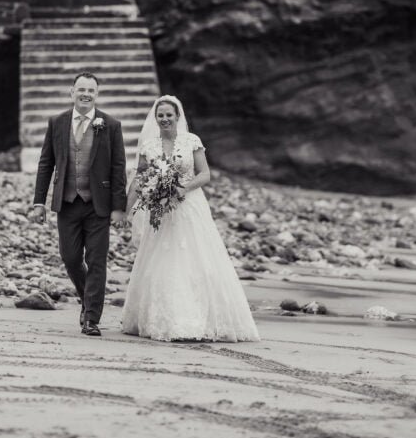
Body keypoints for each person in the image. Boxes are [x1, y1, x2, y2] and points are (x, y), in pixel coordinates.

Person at [122, 94, 259, 343]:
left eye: (168, 115)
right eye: (160, 115)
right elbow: (139, 180)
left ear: (177, 117)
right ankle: (162, 317)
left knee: (196, 258)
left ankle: (198, 318)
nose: (164, 119)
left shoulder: (191, 141)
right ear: (156, 118)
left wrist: (182, 188)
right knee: (162, 259)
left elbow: (205, 174)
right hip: (161, 211)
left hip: (190, 208)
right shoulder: (149, 147)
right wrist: (125, 209)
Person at [28, 72, 127, 337]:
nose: (86, 94)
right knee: (71, 258)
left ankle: (91, 319)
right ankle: (87, 299)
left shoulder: (111, 125)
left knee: (96, 261)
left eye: (91, 90)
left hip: (99, 205)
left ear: (97, 94)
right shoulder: (57, 122)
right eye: (81, 89)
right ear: (71, 92)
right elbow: (46, 163)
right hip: (68, 202)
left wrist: (120, 207)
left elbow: (119, 168)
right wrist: (39, 202)